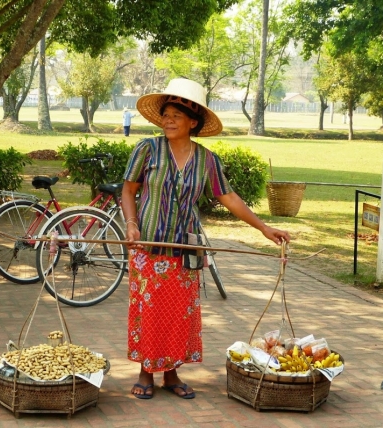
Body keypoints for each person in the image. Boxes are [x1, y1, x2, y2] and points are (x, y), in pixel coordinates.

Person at [121, 78, 290, 400]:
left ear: (193, 122)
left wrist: (264, 228)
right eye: (165, 115)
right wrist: (131, 224)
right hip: (148, 248)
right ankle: (146, 371)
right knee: (149, 311)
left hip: (185, 250)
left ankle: (171, 373)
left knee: (177, 313)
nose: (168, 121)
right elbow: (129, 190)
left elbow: (228, 196)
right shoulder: (147, 149)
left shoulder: (206, 160)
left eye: (176, 116)